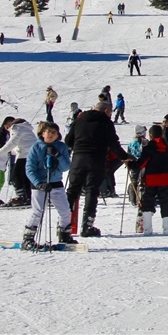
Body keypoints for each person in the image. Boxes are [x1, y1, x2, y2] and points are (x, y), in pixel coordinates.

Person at [64, 101, 132, 237]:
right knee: (91, 191)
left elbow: (68, 141)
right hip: (96, 159)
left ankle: (64, 226)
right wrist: (124, 156)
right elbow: (113, 143)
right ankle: (87, 226)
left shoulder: (79, 120)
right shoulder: (105, 122)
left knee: (72, 191)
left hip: (78, 159)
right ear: (106, 110)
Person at [21, 122, 75, 250]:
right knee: (38, 211)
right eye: (48, 132)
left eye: (53, 132)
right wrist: (39, 183)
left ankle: (64, 235)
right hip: (39, 184)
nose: (50, 135)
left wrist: (58, 155)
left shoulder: (61, 147)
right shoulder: (36, 147)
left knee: (65, 210)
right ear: (42, 133)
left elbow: (66, 166)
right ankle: (28, 238)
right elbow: (30, 169)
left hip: (56, 183)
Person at [131, 124, 168, 235]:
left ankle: (147, 228)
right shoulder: (167, 147)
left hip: (151, 178)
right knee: (166, 200)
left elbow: (142, 164)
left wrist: (131, 164)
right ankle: (167, 227)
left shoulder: (149, 148)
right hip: (164, 178)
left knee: (148, 200)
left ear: (150, 135)